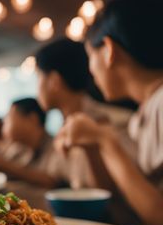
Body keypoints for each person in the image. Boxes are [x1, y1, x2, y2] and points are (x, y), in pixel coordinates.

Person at [55, 0, 163, 225]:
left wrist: (105, 139)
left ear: (109, 50)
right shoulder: (144, 113)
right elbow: (124, 208)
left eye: (90, 58)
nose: (91, 71)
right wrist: (93, 145)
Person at [35, 37, 133, 188]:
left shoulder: (116, 122)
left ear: (54, 81)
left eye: (39, 77)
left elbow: (113, 198)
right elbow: (54, 177)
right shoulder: (62, 126)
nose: (37, 89)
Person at [0, 98, 67, 188]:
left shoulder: (57, 146)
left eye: (9, 118)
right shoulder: (18, 147)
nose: (4, 123)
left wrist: (0, 162)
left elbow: (52, 182)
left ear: (32, 119)